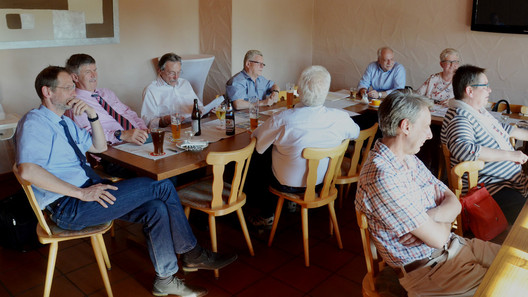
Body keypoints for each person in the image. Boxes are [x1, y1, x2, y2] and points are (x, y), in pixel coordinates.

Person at [16, 66, 236, 297]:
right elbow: (27, 171)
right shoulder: (35, 122)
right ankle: (192, 252)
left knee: (157, 208)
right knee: (162, 185)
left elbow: (99, 147)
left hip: (91, 192)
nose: (74, 91)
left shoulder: (66, 123)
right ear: (47, 92)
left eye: (73, 86)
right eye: (68, 87)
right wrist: (81, 194)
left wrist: (93, 116)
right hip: (69, 205)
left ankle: (165, 279)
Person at [355, 90, 500, 296]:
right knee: (510, 285)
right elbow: (438, 238)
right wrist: (442, 217)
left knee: (518, 262)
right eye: (425, 127)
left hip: (457, 247)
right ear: (406, 127)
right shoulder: (383, 176)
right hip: (433, 270)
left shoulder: (406, 158)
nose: (430, 134)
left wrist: (431, 216)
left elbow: (455, 203)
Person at [248, 65, 360, 226]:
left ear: (298, 91)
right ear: (326, 93)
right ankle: (288, 205)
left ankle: (267, 213)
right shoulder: (340, 118)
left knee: (262, 157)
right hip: (323, 183)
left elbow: (257, 142)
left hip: (287, 184)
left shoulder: (283, 119)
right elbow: (355, 133)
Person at [441, 64, 528, 224]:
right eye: (485, 86)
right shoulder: (460, 117)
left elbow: (504, 130)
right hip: (490, 190)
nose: (489, 90)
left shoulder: (478, 112)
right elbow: (464, 149)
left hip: (507, 182)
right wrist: (510, 155)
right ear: (470, 91)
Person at [65, 54, 148, 145]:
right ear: (75, 77)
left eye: (95, 70)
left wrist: (143, 129)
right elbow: (88, 135)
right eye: (88, 72)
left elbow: (129, 113)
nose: (94, 75)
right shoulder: (75, 103)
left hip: (139, 139)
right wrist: (121, 135)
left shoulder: (107, 93)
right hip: (113, 147)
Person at [141, 53, 203, 128]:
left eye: (179, 72)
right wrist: (164, 120)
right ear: (160, 71)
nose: (176, 77)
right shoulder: (151, 90)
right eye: (171, 73)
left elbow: (199, 106)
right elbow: (147, 123)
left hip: (193, 125)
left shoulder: (185, 83)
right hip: (170, 132)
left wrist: (201, 110)